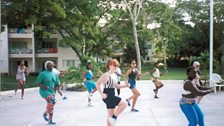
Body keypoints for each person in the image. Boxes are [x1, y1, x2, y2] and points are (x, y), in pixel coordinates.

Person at [96, 59, 129, 126]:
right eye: (114, 65)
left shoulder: (114, 75)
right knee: (124, 104)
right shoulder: (106, 75)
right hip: (107, 95)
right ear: (110, 65)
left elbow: (116, 86)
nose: (116, 67)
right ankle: (114, 118)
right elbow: (97, 84)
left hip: (112, 93)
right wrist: (101, 94)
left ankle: (112, 118)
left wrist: (126, 86)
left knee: (110, 115)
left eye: (117, 65)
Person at [35, 61, 60, 125]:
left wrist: (55, 92)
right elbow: (37, 83)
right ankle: (46, 114)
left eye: (52, 65)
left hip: (51, 92)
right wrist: (44, 86)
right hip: (44, 91)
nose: (51, 66)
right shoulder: (43, 74)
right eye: (49, 65)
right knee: (52, 102)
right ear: (46, 66)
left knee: (51, 104)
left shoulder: (55, 74)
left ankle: (49, 119)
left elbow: (57, 84)